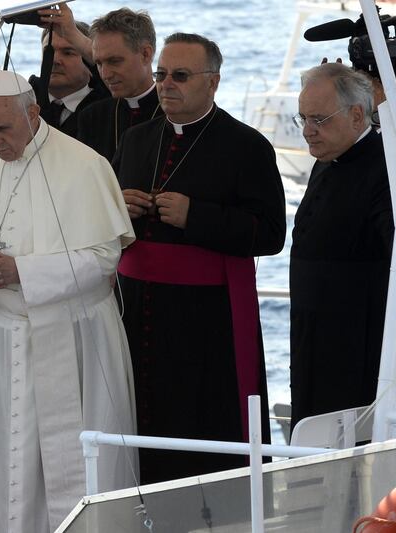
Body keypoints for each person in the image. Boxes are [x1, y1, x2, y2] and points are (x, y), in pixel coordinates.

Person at [0, 70, 136, 533]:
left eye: (4, 128)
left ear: (34, 113)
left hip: (73, 333)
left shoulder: (84, 164)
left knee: (78, 465)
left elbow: (105, 256)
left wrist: (22, 271)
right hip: (2, 334)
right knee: (8, 454)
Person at [113, 33, 285, 483]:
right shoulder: (136, 140)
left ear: (213, 82)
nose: (167, 84)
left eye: (181, 76)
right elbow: (105, 230)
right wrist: (117, 210)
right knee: (137, 421)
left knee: (200, 431)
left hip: (205, 325)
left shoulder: (247, 146)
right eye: (161, 74)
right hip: (135, 311)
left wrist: (196, 216)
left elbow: (270, 234)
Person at [289, 63, 396, 430]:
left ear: (357, 115)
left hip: (355, 344)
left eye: (318, 120)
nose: (308, 132)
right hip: (313, 334)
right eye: (303, 119)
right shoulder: (328, 157)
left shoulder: (386, 164)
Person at [0, 2, 108, 138]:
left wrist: (73, 35)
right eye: (49, 52)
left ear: (90, 62)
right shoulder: (27, 96)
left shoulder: (109, 102)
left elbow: (123, 76)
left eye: (68, 52)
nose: (55, 60)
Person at [76, 8, 162, 162]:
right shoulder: (91, 117)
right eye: (99, 63)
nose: (105, 74)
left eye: (114, 61)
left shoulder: (175, 113)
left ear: (145, 54)